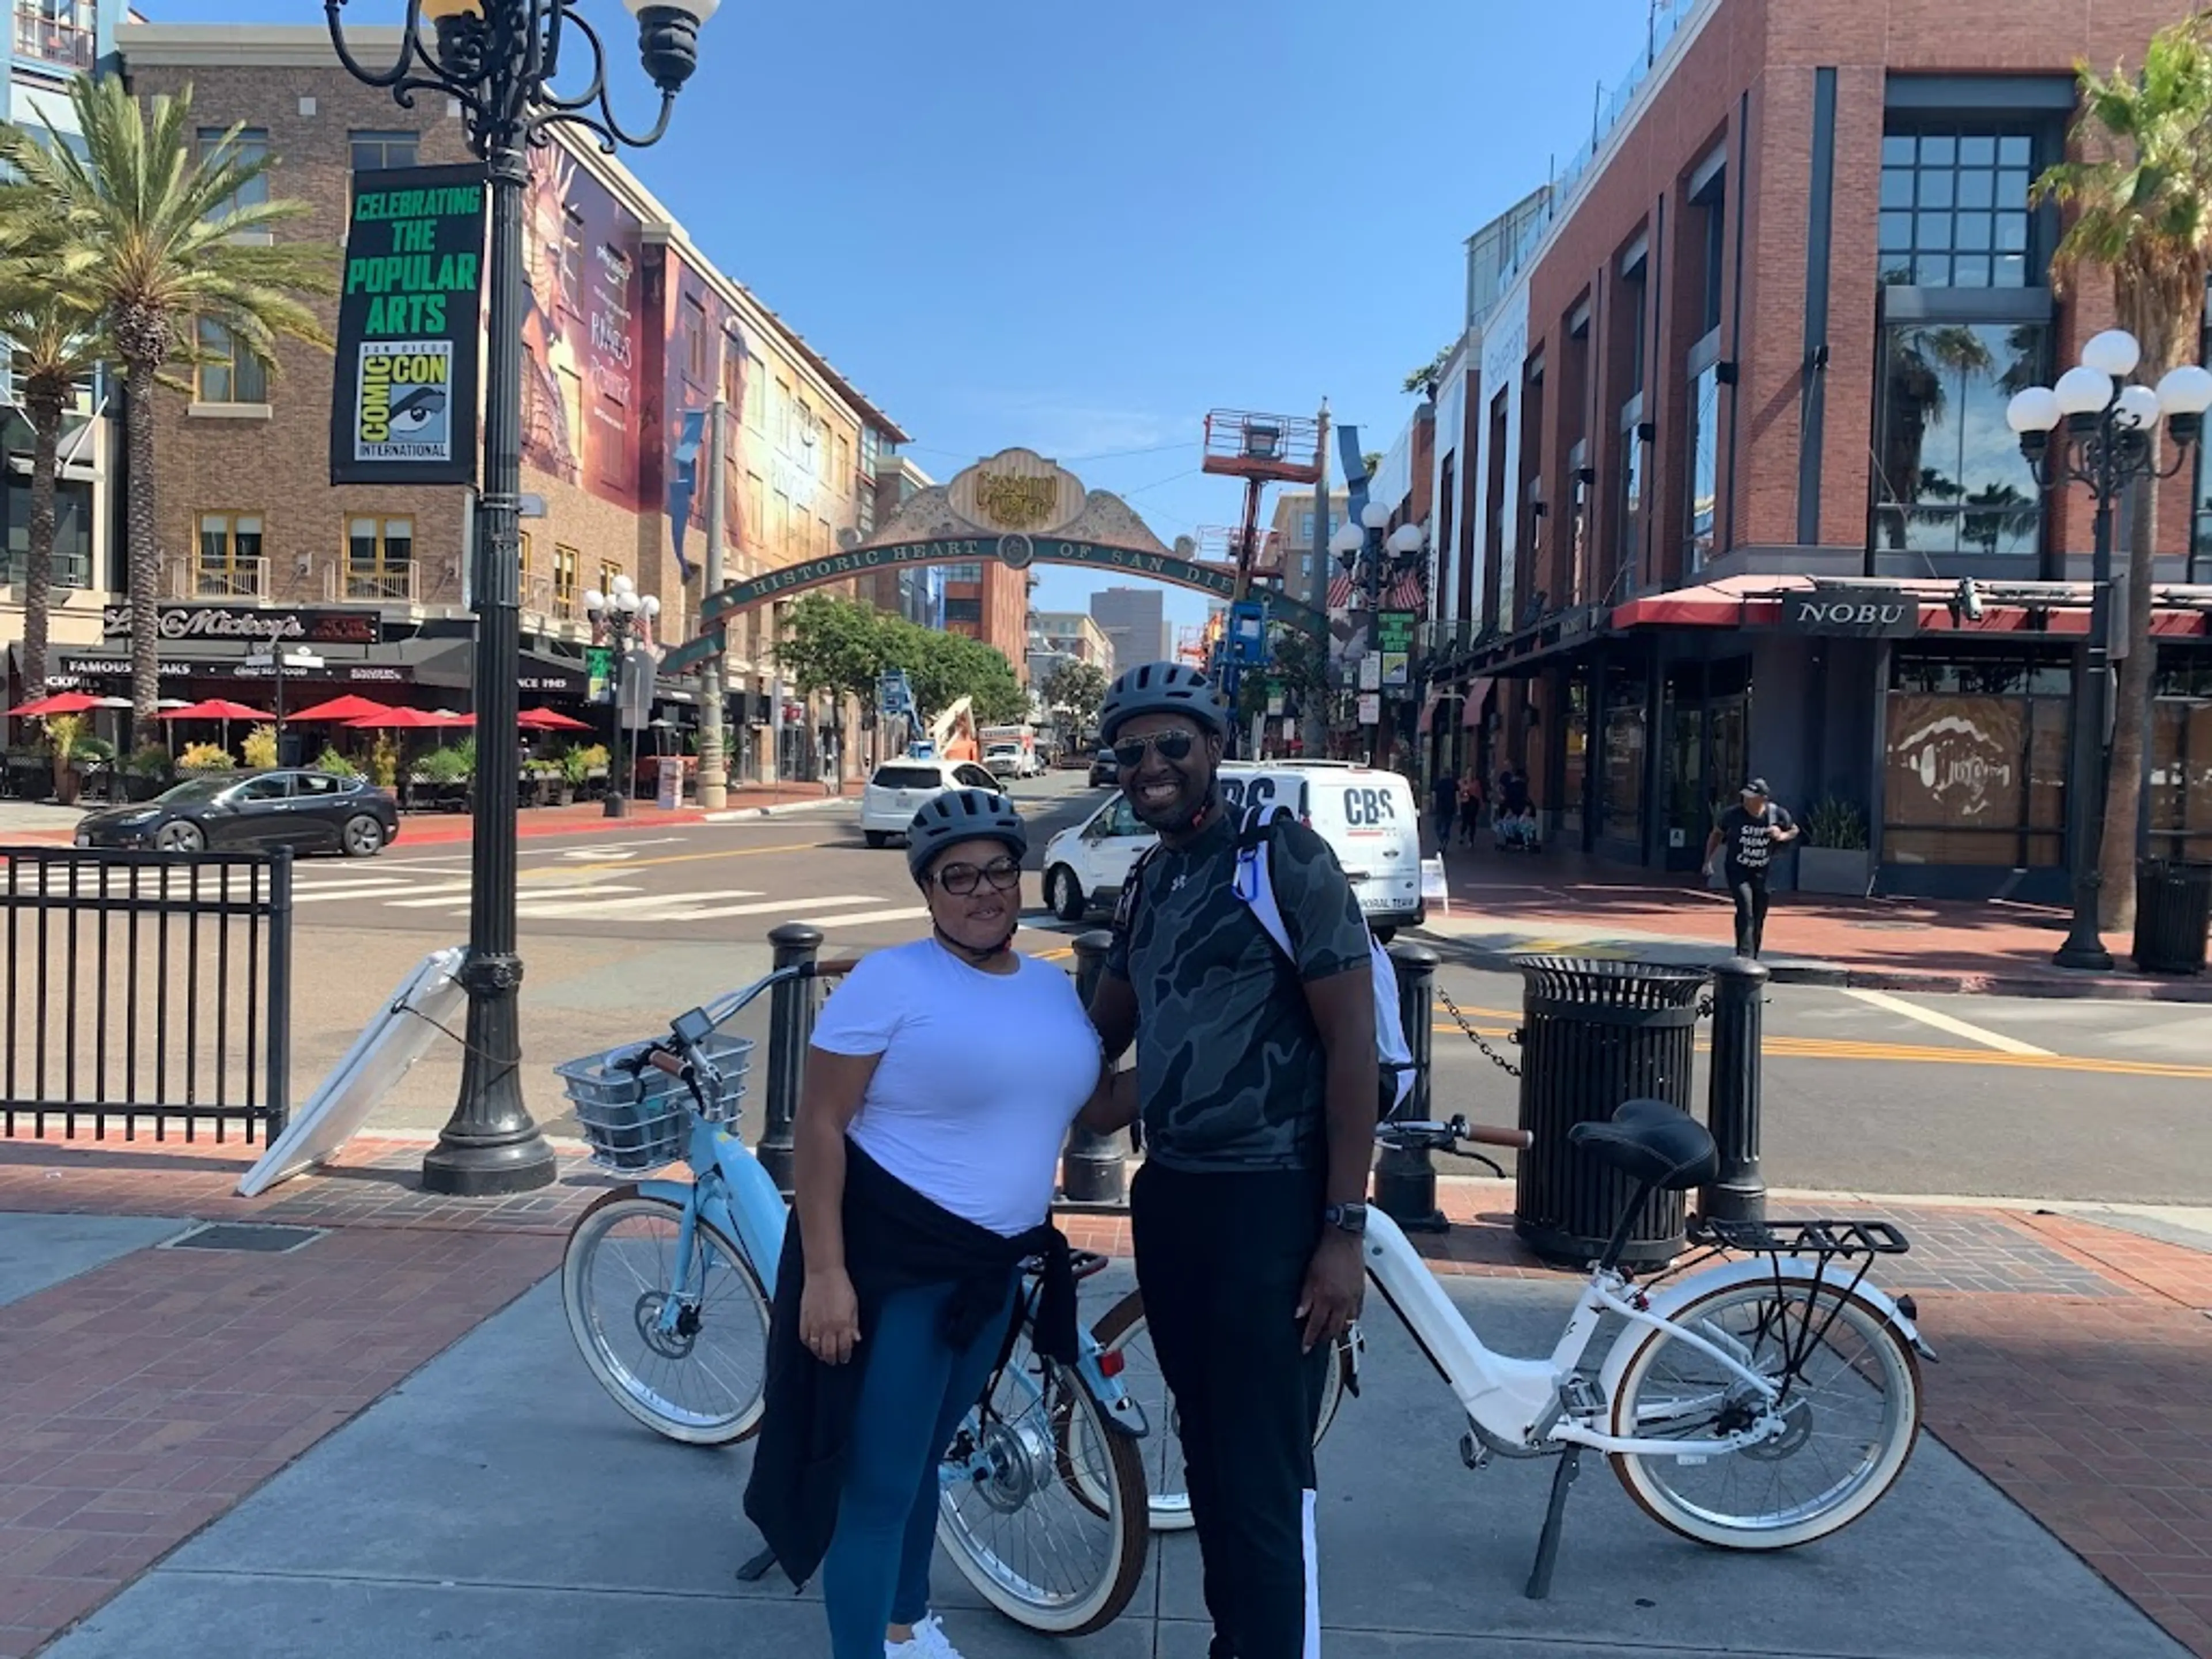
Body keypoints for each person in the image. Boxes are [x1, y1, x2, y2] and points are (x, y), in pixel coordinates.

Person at [743, 788, 1094, 1659]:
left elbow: (1096, 1100)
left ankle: (904, 1623)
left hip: (991, 1270)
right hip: (898, 1269)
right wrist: (826, 1275)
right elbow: (821, 1124)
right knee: (878, 1488)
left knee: (926, 1454)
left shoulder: (1052, 989)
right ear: (929, 893)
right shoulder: (893, 980)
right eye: (958, 877)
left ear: (1023, 878)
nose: (983, 891)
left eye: (998, 872)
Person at [1085, 661, 1378, 1659]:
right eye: (1131, 752)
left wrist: (1344, 1232)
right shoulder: (1148, 882)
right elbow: (1103, 1041)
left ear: (1215, 747)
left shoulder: (1283, 856)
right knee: (1207, 1454)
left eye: (1173, 744)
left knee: (1262, 1473)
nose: (1152, 766)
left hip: (1274, 1200)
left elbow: (1352, 1049)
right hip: (1174, 1201)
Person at [1705, 777, 1798, 959]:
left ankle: (1753, 955)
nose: (1746, 801)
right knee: (1745, 908)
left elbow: (1794, 830)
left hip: (1763, 871)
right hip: (1738, 869)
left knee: (1758, 914)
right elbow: (1716, 834)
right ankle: (1744, 955)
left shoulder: (1776, 814)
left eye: (1751, 797)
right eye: (1745, 797)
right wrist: (1708, 861)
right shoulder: (1732, 815)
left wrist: (1782, 835)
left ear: (1763, 799)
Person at [1429, 765, 1457, 847]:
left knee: (1438, 826)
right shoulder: (1453, 783)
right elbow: (1457, 795)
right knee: (1447, 826)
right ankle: (1445, 839)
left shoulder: (1439, 783)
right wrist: (1458, 808)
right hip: (1451, 808)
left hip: (1440, 808)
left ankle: (1442, 840)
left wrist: (1434, 805)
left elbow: (1434, 794)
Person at [1457, 772, 1486, 847]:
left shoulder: (1476, 783)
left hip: (1473, 802)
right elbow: (1459, 793)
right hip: (1465, 802)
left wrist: (1481, 803)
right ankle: (1462, 835)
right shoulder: (1462, 782)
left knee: (1472, 821)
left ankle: (1471, 839)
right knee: (1464, 820)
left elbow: (1479, 793)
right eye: (1469, 773)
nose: (1470, 775)